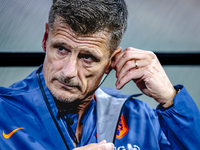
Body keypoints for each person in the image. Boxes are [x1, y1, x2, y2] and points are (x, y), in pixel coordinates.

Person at [0, 0, 200, 149]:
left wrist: (172, 102)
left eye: (87, 57)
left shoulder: (140, 119)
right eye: (61, 49)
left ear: (111, 62)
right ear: (45, 39)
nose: (68, 72)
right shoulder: (3, 113)